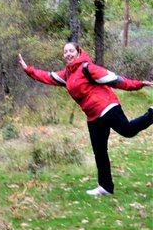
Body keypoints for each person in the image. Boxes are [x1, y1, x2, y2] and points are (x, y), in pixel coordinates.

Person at [18, 42, 153, 196]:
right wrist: (28, 69)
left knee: (128, 130)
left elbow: (114, 79)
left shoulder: (87, 68)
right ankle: (105, 187)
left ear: (78, 52)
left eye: (71, 51)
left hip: (107, 107)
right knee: (99, 151)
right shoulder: (67, 75)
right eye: (65, 52)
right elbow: (47, 76)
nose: (68, 54)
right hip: (93, 116)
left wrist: (138, 84)